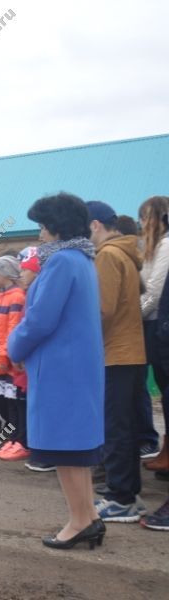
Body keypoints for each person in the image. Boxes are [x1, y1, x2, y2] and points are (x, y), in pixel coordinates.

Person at [7, 192, 106, 550]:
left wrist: (14, 347)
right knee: (77, 447)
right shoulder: (81, 259)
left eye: (42, 226)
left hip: (61, 368)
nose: (40, 234)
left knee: (67, 448)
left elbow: (40, 319)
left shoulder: (62, 261)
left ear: (56, 226)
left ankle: (80, 521)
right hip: (75, 366)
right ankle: (88, 517)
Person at [86, 200, 149, 523]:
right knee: (124, 425)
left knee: (115, 428)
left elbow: (102, 310)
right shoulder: (126, 251)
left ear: (95, 225)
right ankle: (129, 496)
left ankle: (121, 497)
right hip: (131, 353)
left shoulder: (108, 255)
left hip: (115, 354)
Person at [0, 257, 29, 461]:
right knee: (8, 403)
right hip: (1, 357)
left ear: (4, 273)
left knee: (16, 403)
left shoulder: (16, 297)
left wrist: (4, 356)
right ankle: (12, 439)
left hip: (11, 361)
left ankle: (20, 441)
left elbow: (12, 330)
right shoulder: (1, 295)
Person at [139, 196, 169, 469]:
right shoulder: (154, 247)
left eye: (144, 217)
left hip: (160, 324)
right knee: (161, 386)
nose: (141, 224)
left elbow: (154, 291)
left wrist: (133, 314)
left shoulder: (166, 245)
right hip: (153, 323)